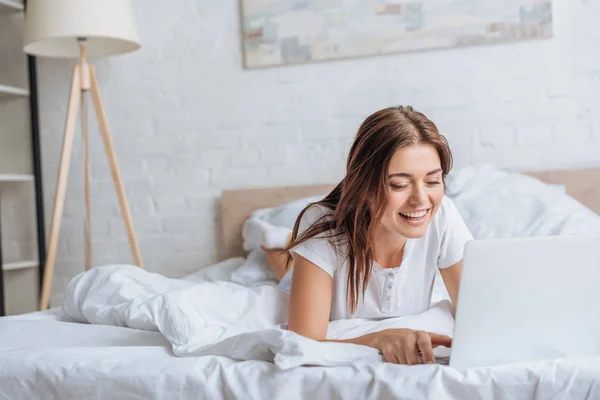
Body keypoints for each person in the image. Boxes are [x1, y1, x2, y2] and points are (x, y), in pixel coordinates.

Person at [243, 106, 473, 365]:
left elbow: (476, 309)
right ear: (364, 185)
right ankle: (266, 237)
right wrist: (377, 339)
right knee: (285, 271)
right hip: (318, 259)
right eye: (399, 184)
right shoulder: (324, 225)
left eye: (432, 181)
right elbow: (304, 341)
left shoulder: (443, 215)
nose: (421, 200)